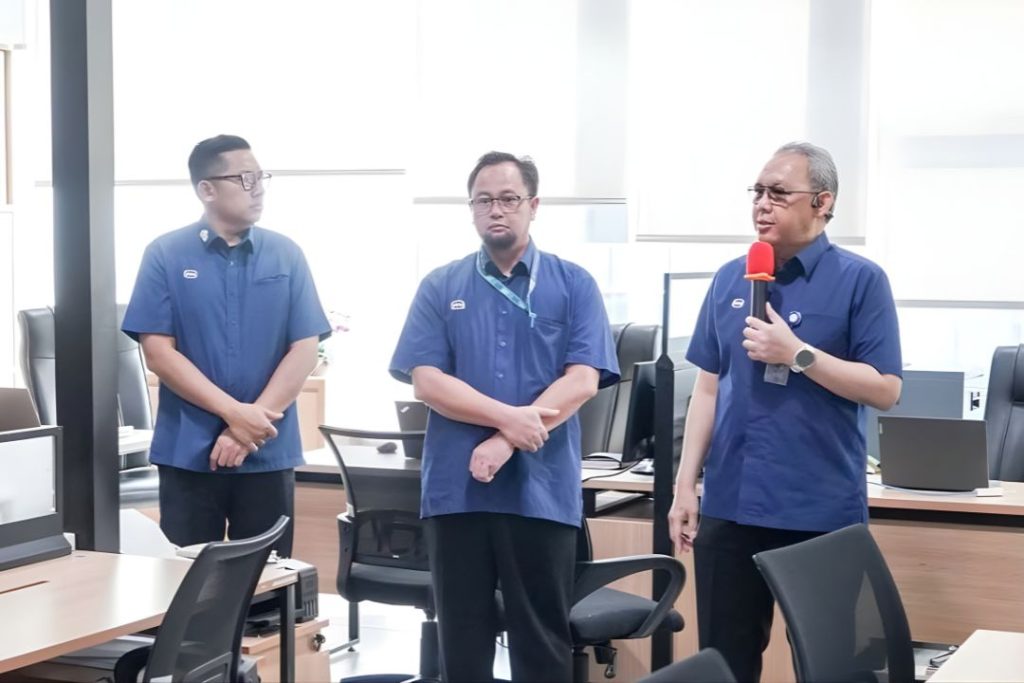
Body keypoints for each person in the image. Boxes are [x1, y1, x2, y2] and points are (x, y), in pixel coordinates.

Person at [667, 142, 903, 682]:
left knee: (829, 668)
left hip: (818, 511)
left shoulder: (861, 280)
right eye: (757, 192)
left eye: (778, 193)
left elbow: (885, 389)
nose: (761, 204)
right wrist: (685, 487)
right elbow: (708, 387)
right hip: (731, 507)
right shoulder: (731, 278)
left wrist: (797, 354)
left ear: (823, 202)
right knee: (724, 666)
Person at [389, 151, 620, 682]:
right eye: (484, 200)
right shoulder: (441, 285)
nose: (496, 210)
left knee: (541, 644)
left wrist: (504, 440)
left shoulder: (573, 284)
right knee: (461, 644)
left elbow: (582, 381)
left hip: (540, 491)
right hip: (457, 491)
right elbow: (427, 381)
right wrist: (508, 421)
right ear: (471, 208)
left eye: (509, 199)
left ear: (533, 206)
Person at [122, 134, 331, 556]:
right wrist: (236, 416)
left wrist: (248, 429)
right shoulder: (165, 254)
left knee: (270, 578)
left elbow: (305, 349)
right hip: (189, 451)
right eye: (245, 178)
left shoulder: (286, 254)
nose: (258, 189)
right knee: (187, 578)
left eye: (261, 178)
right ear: (207, 189)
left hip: (267, 450)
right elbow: (159, 354)